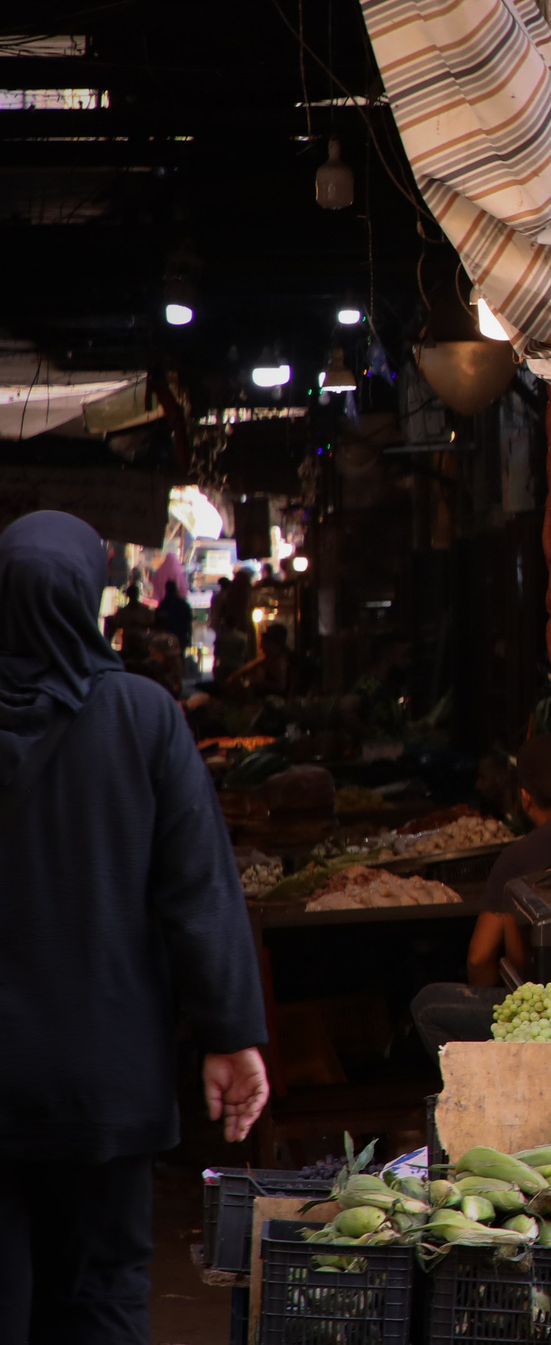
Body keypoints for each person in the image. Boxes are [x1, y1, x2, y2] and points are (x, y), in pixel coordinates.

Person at [0, 513, 268, 1345]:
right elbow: (199, 894)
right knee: (106, 1289)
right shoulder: (144, 717)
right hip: (107, 1075)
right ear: (89, 597)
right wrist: (231, 1035)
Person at [408, 737, 551, 1051]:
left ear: (525, 797)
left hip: (545, 1017)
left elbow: (479, 957)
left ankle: (485, 1088)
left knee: (427, 1005)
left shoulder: (517, 857)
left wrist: (501, 1009)